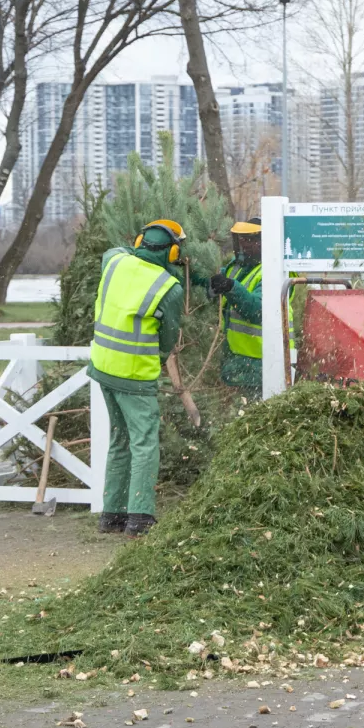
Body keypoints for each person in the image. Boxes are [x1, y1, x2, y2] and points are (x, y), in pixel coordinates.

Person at [88, 219, 185, 537]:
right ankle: (140, 518)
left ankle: (111, 516)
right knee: (144, 443)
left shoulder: (114, 260)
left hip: (103, 366)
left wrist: (144, 249)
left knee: (119, 439)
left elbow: (124, 249)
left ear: (140, 240)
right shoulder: (169, 288)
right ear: (173, 253)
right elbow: (168, 340)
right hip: (135, 375)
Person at [208, 217, 265, 392]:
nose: (245, 245)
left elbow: (258, 310)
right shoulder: (236, 267)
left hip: (262, 362)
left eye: (251, 240)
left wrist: (231, 287)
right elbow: (210, 281)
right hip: (237, 361)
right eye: (242, 240)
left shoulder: (271, 271)